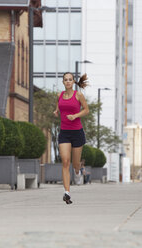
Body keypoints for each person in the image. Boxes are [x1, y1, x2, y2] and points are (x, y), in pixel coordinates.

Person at [53, 72, 89, 204]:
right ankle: (67, 192)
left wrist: (75, 116)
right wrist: (56, 111)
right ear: (63, 82)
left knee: (74, 164)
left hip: (77, 132)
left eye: (70, 80)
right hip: (64, 133)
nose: (68, 82)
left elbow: (86, 110)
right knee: (65, 161)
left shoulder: (78, 95)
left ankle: (78, 169)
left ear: (73, 82)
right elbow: (59, 106)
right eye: (65, 80)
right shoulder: (59, 95)